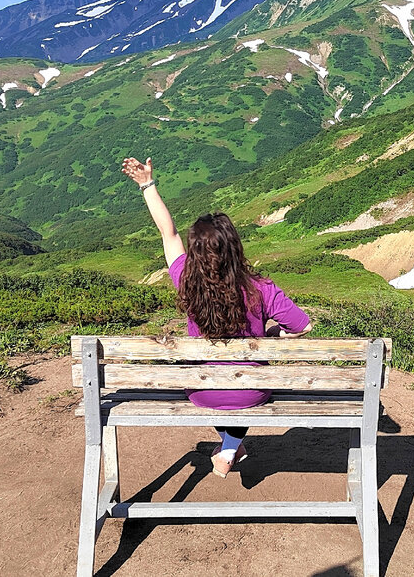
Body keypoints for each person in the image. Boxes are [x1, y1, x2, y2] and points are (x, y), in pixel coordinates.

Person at [121, 156, 312, 477]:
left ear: (195, 252)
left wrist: (147, 185)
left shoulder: (185, 277)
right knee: (241, 387)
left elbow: (168, 234)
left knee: (212, 382)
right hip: (253, 390)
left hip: (201, 389)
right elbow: (303, 326)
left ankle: (229, 444)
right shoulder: (260, 288)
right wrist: (270, 335)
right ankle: (230, 445)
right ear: (235, 248)